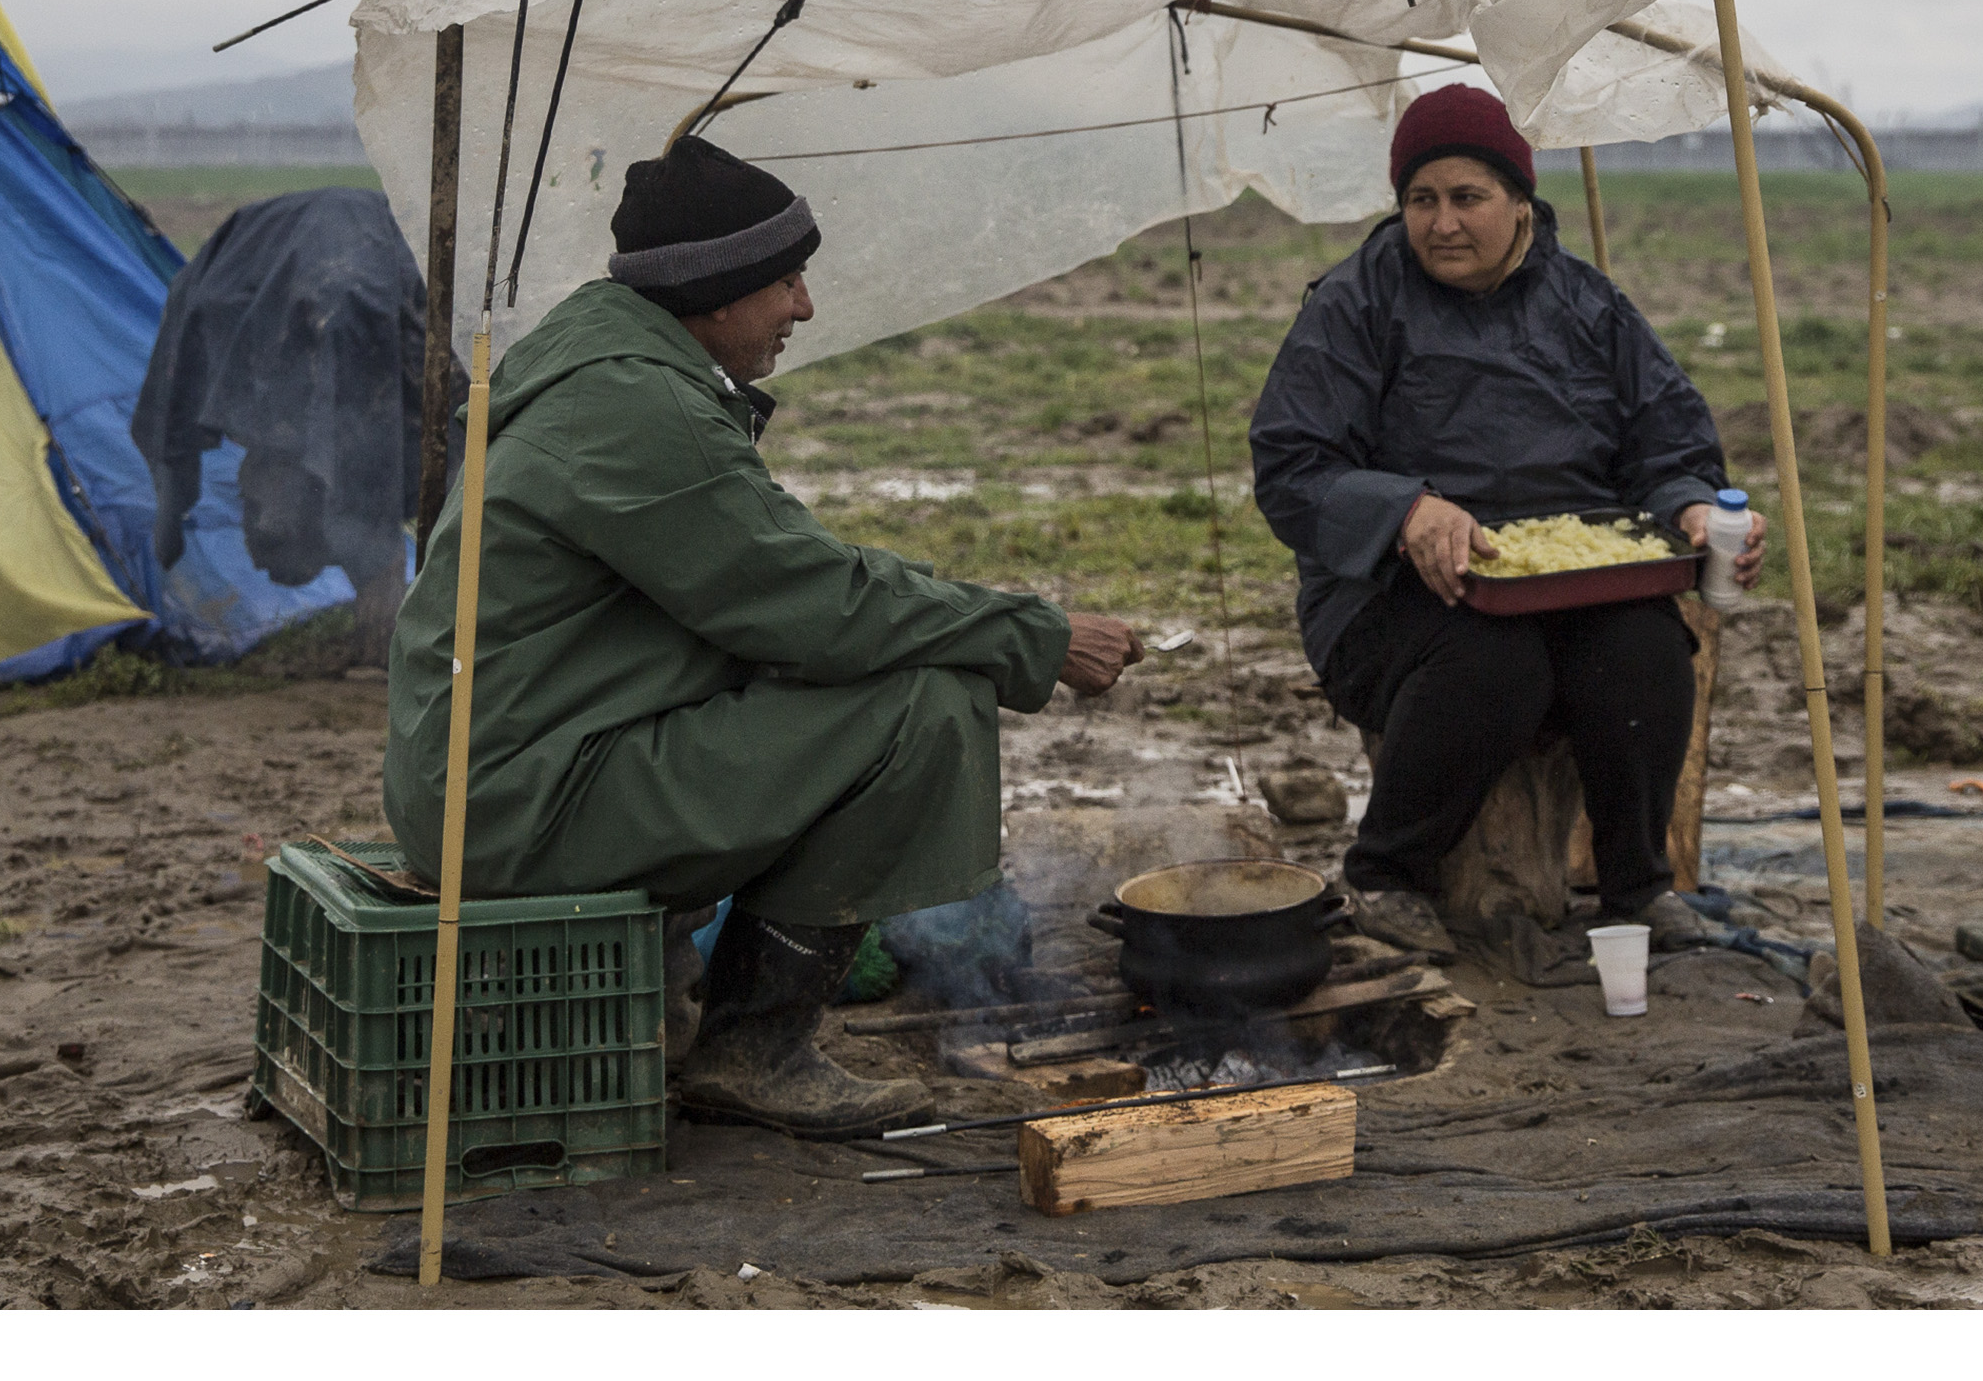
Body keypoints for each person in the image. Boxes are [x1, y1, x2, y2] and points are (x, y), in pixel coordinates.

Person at [383, 136, 1142, 1137]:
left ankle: (722, 1013)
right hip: (526, 799)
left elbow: (784, 571)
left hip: (511, 765)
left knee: (903, 661)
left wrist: (980, 613)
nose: (804, 307)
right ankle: (757, 1050)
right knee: (927, 699)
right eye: (786, 280)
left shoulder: (610, 362)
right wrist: (1029, 636)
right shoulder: (636, 405)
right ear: (717, 287)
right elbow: (814, 604)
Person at [1247, 83, 1766, 961]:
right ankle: (1385, 874)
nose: (1441, 223)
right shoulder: (1354, 303)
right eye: (1421, 199)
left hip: (1574, 577)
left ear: (1520, 202)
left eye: (1466, 197)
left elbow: (1666, 436)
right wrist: (1406, 508)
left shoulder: (1587, 305)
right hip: (1390, 592)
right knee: (1494, 658)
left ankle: (1637, 887)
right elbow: (1291, 467)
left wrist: (1686, 501)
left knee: (1643, 650)